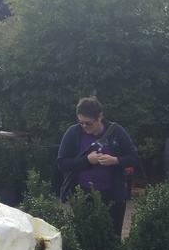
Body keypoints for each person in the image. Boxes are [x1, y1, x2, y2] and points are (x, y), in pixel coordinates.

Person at [57, 96, 138, 235]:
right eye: (80, 122)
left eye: (88, 123)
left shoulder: (116, 132)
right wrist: (87, 160)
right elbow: (62, 163)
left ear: (99, 117)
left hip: (113, 194)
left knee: (112, 237)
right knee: (85, 238)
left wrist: (115, 160)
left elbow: (134, 158)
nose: (84, 126)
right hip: (83, 194)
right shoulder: (73, 133)